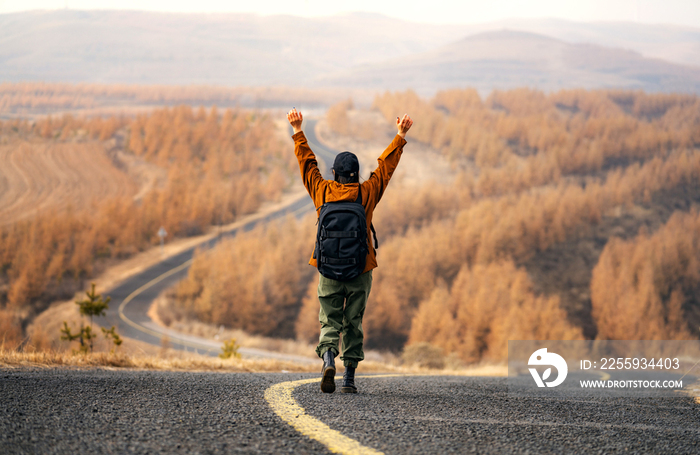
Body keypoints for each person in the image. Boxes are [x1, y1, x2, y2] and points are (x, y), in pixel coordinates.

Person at [286, 107, 413, 393]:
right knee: (353, 321)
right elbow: (385, 169)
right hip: (360, 268)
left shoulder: (322, 191)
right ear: (356, 175)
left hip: (328, 268)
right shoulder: (366, 193)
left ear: (335, 174)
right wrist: (400, 135)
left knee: (329, 319)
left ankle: (329, 357)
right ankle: (349, 380)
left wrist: (298, 131)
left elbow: (307, 165)